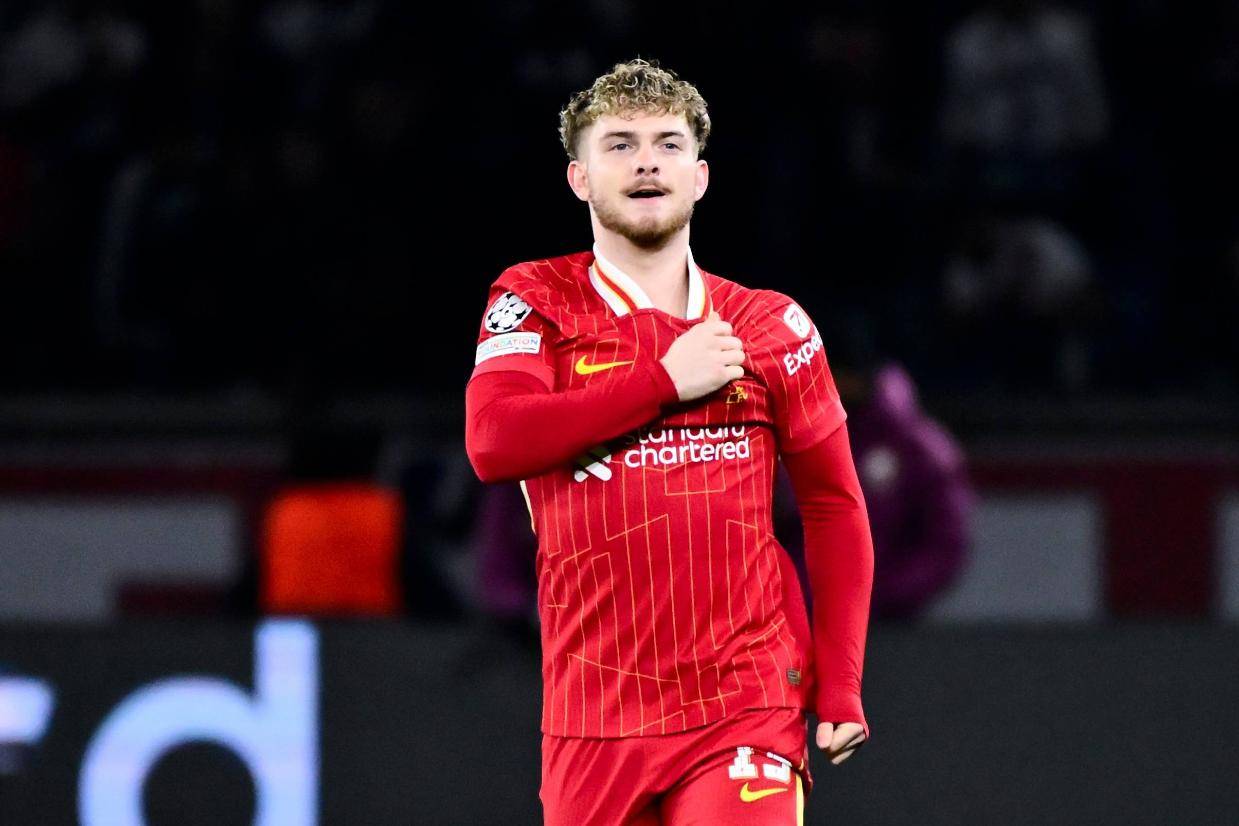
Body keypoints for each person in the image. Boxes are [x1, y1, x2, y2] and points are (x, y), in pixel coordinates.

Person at [464, 58, 874, 825]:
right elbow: (492, 442)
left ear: (700, 177)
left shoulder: (770, 326)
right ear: (579, 178)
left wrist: (841, 685)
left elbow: (834, 506)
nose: (646, 161)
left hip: (743, 704)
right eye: (619, 145)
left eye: (667, 144)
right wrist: (661, 380)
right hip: (591, 720)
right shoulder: (533, 300)